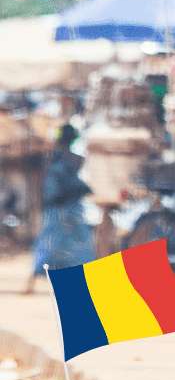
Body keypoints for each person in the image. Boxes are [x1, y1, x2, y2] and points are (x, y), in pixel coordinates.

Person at [27, 125, 95, 293]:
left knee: (51, 244)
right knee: (74, 245)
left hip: (61, 208)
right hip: (62, 207)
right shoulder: (71, 159)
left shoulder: (54, 158)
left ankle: (32, 282)